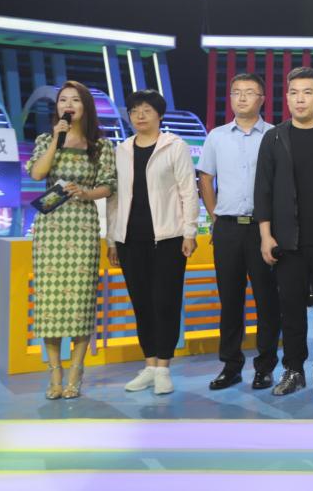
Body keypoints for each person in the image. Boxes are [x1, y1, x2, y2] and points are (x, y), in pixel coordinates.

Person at [254, 67, 313, 396]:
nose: (300, 99)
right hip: (287, 241)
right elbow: (263, 189)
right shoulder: (274, 137)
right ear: (286, 98)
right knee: (291, 308)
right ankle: (293, 369)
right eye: (294, 92)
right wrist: (265, 235)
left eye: (307, 92)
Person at [26, 81, 117, 400]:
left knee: (80, 302)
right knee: (49, 304)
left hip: (82, 226)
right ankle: (54, 374)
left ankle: (76, 372)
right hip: (50, 228)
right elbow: (37, 174)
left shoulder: (101, 146)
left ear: (85, 106)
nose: (68, 104)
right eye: (63, 100)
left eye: (75, 100)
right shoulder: (45, 139)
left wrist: (86, 193)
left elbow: (109, 185)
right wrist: (56, 139)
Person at [107, 89, 199, 395]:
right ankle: (149, 365)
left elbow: (188, 191)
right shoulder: (121, 150)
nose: (140, 116)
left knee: (165, 302)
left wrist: (189, 232)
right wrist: (112, 239)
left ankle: (163, 368)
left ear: (159, 115)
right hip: (129, 239)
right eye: (134, 111)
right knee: (142, 303)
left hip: (168, 238)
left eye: (146, 110)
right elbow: (114, 198)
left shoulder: (174, 146)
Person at [198, 73, 280, 391]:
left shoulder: (275, 135)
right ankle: (231, 366)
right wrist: (215, 217)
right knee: (230, 300)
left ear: (262, 99)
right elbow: (205, 178)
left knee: (267, 301)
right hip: (228, 229)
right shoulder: (216, 137)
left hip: (264, 230)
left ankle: (265, 367)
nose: (242, 97)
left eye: (249, 92)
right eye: (236, 92)